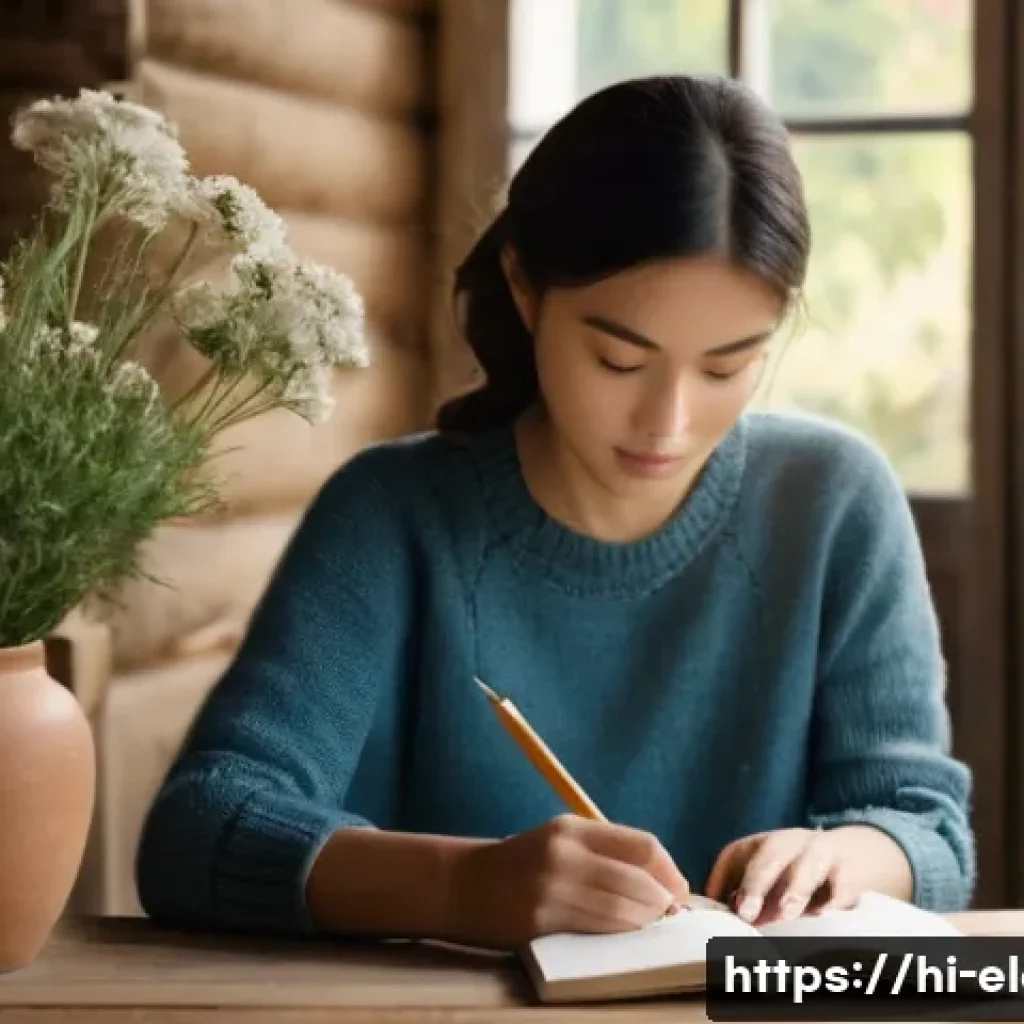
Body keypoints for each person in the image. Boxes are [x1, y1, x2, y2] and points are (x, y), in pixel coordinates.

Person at [136, 74, 974, 949]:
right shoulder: (394, 515)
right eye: (619, 360)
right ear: (525, 289)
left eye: (727, 368)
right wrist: (460, 889)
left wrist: (853, 852)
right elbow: (198, 833)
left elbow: (929, 830)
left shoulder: (836, 502)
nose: (670, 422)